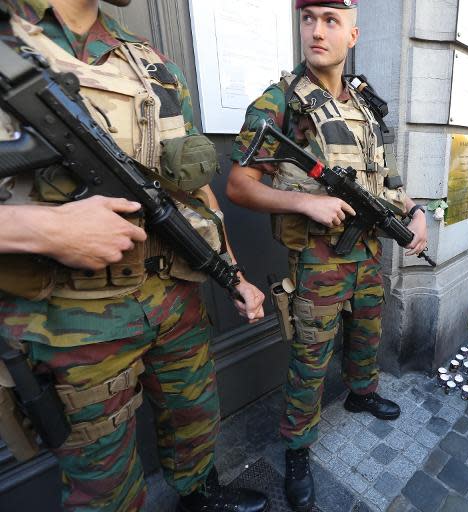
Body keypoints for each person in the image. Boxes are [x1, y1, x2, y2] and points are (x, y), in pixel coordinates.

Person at [0, 1, 269, 511]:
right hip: (69, 319)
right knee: (103, 485)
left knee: (194, 416)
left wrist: (233, 274)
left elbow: (195, 193)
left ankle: (198, 493)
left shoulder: (152, 64)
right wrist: (43, 227)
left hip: (175, 296)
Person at [226, 1, 428, 510]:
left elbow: (384, 179)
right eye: (308, 17)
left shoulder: (363, 104)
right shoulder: (280, 103)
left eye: (330, 20)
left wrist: (416, 212)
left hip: (365, 251)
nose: (317, 31)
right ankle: (297, 446)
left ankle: (361, 392)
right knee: (311, 357)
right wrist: (304, 201)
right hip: (316, 260)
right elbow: (239, 186)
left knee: (367, 332)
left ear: (352, 34)